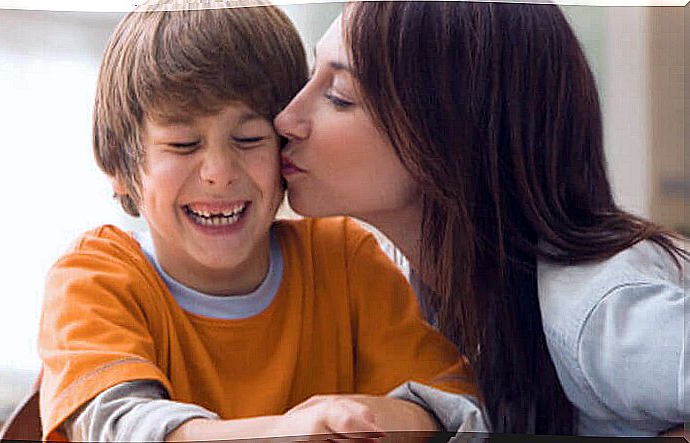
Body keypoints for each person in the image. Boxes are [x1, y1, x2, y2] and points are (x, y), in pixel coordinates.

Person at [37, 1, 486, 441]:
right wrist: (287, 430)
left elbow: (451, 407)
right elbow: (118, 427)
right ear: (119, 168)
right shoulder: (96, 278)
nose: (219, 172)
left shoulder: (344, 259)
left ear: (285, 148)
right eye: (183, 144)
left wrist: (360, 420)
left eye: (250, 138)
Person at [275, 1, 688, 437]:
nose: (287, 119)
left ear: (447, 131)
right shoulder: (402, 283)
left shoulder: (597, 313)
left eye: (339, 96)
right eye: (310, 76)